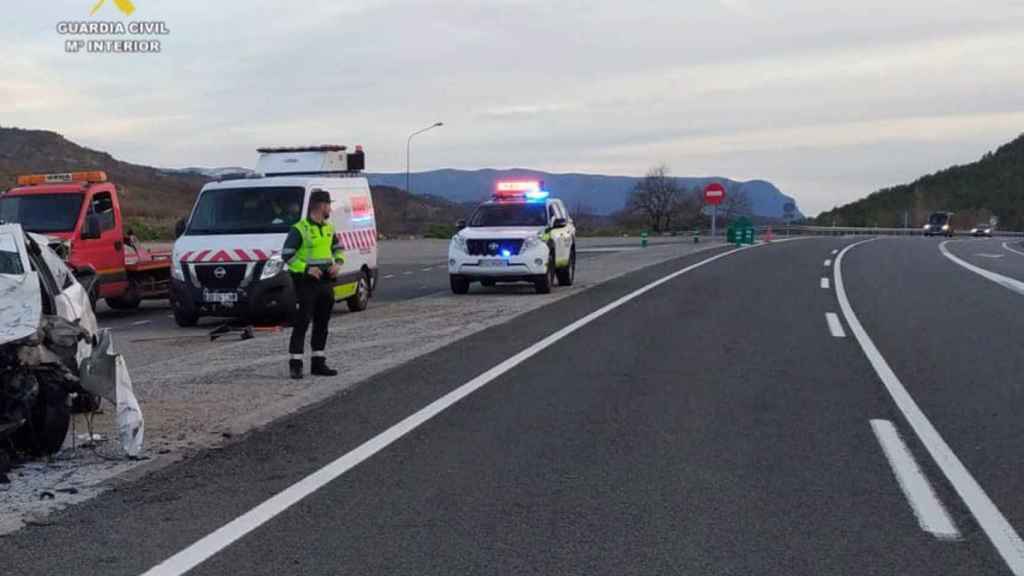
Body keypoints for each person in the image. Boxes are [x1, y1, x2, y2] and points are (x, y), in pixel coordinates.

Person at [281, 190, 344, 379]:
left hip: (325, 281)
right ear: (321, 205)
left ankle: (318, 363)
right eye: (329, 205)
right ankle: (296, 364)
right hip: (305, 282)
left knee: (322, 323)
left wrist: (338, 264)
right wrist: (306, 269)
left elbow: (338, 249)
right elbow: (287, 255)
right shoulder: (300, 229)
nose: (330, 209)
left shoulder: (329, 228)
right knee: (302, 322)